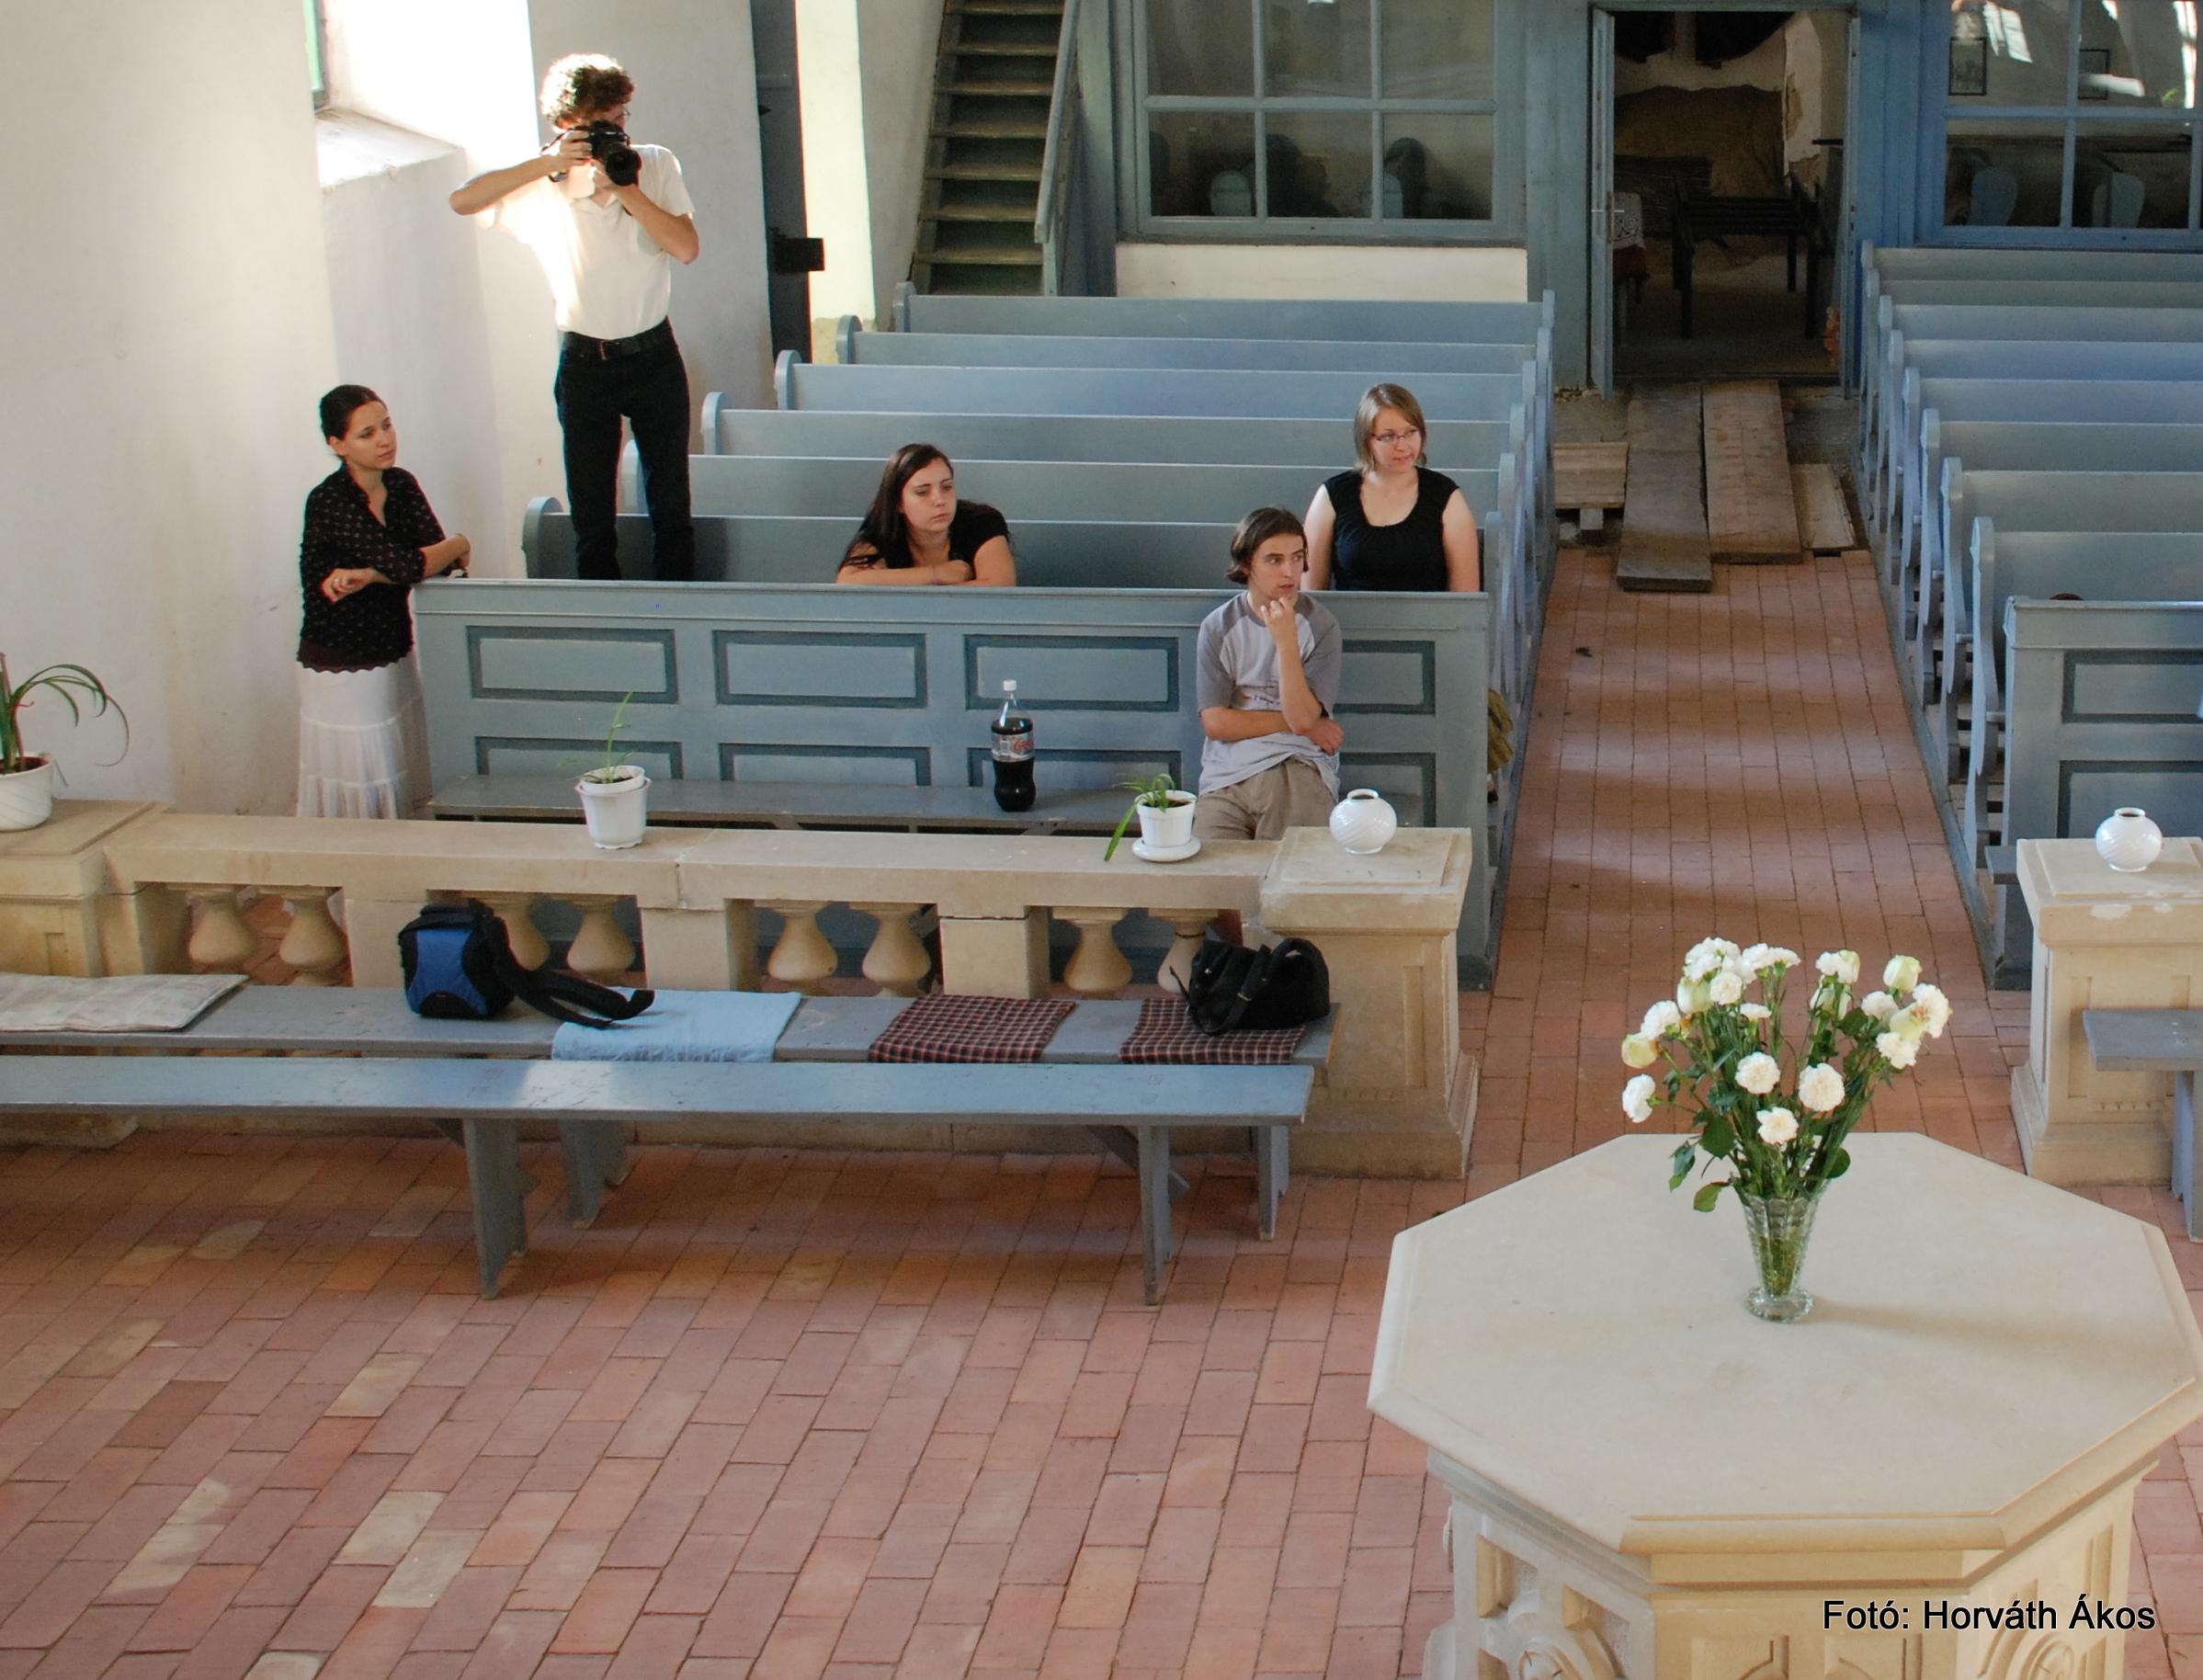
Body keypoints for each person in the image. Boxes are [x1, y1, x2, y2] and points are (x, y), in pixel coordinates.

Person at [449, 53, 699, 582]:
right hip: (585, 363)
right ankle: (603, 616)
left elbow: (685, 248)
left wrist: (627, 189)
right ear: (567, 125)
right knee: (591, 512)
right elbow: (463, 200)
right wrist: (548, 163)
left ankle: (676, 607)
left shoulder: (653, 164)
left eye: (621, 118)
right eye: (600, 125)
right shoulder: (545, 183)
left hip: (654, 353)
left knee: (671, 502)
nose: (616, 132)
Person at [296, 385, 471, 819]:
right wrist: (460, 543)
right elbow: (413, 563)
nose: (384, 440)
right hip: (344, 661)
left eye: (387, 426)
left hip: (394, 649)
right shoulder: (330, 500)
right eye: (367, 434)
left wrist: (374, 574)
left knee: (402, 772)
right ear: (337, 445)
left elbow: (436, 565)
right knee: (364, 782)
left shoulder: (401, 483)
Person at [1194, 506, 1343, 846]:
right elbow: (1216, 724)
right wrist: (1306, 724)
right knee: (1209, 872)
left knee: (1295, 871)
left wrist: (1286, 642)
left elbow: (1303, 716)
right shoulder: (1218, 627)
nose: (1289, 572)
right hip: (1228, 775)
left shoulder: (1321, 625)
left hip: (1297, 766)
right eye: (1274, 560)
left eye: (1297, 558)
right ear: (1247, 564)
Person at [1303, 383, 1482, 593]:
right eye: (1389, 436)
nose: (1403, 446)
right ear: (1367, 440)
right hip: (1348, 615)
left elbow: (1465, 597)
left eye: (1411, 432)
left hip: (1427, 615)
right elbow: (1311, 596)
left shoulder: (1447, 497)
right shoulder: (1331, 496)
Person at [837, 444, 1016, 585]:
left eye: (946, 487)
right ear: (898, 503)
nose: (939, 500)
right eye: (922, 492)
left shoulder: (980, 521)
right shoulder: (883, 530)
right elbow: (848, 581)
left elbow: (999, 585)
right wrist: (935, 574)